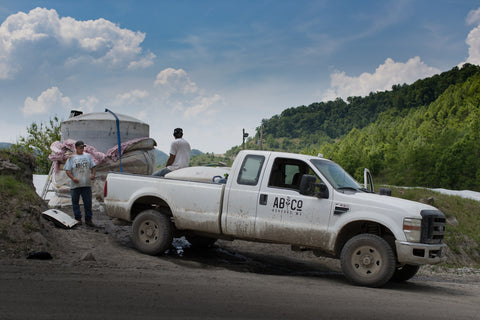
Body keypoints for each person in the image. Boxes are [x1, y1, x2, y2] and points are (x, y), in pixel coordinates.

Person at [64, 140, 97, 227]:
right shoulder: (71, 158)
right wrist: (73, 178)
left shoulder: (88, 156)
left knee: (88, 202)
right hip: (75, 185)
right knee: (75, 202)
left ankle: (88, 219)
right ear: (76, 148)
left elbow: (93, 166)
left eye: (83, 147)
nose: (82, 149)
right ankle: (78, 218)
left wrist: (93, 174)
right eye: (80, 147)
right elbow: (67, 170)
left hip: (86, 183)